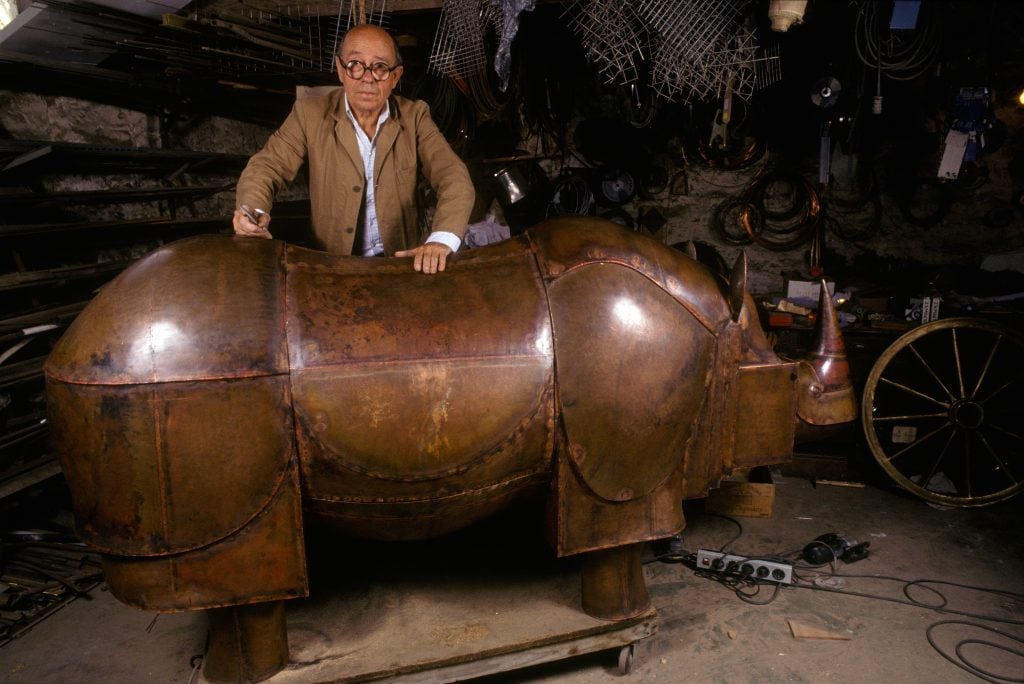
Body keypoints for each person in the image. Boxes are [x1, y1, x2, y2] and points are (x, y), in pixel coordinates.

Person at [233, 24, 475, 274]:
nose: (367, 78)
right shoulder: (309, 115)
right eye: (355, 65)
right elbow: (267, 166)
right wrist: (253, 210)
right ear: (340, 70)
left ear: (396, 76)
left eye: (380, 67)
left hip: (401, 263)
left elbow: (453, 176)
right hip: (331, 265)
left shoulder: (415, 117)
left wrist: (441, 241)